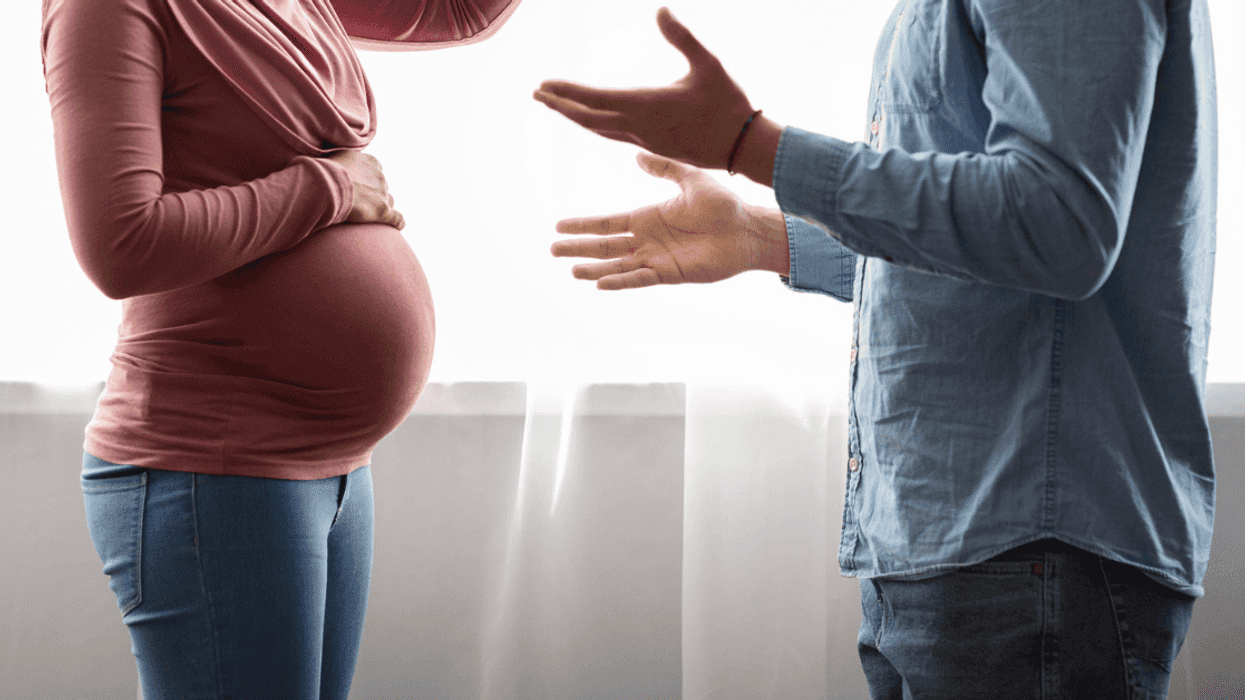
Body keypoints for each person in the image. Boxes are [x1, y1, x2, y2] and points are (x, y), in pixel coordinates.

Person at [534, 3, 1216, 697]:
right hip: (959, 552)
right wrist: (766, 238)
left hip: (1028, 556)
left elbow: (1058, 227)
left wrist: (755, 148)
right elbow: (997, 260)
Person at [41, 0, 520, 697]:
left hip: (329, 467)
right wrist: (327, 187)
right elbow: (123, 245)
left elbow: (458, 10)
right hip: (212, 464)